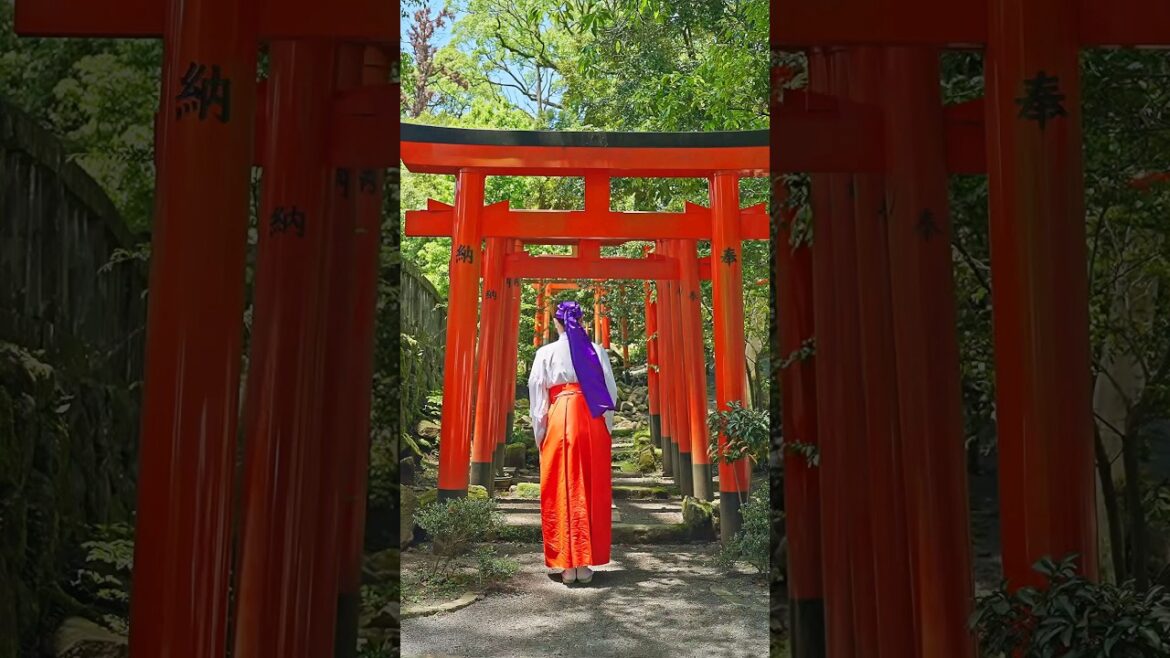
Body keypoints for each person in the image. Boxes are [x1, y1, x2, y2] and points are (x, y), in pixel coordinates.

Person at [528, 300, 618, 585]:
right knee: (591, 487)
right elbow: (609, 393)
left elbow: (537, 395)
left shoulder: (546, 353)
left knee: (561, 487)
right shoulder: (597, 351)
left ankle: (567, 565)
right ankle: (586, 564)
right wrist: (607, 428)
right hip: (590, 417)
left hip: (559, 416)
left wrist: (540, 433)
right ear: (582, 322)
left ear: (556, 323)